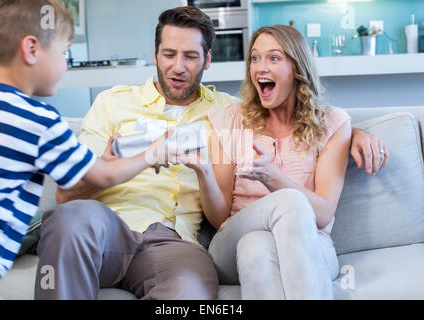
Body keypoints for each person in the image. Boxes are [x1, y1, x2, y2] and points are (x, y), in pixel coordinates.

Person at [35, 7, 388, 300]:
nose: (178, 67)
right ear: (155, 55)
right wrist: (120, 166)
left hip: (177, 243)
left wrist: (354, 132)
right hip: (109, 228)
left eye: (190, 56)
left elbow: (299, 116)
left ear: (207, 60)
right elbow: (67, 196)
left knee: (209, 282)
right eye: (169, 54)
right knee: (71, 220)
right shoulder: (112, 103)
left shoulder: (227, 111)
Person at [0, 0, 172, 300]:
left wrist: (96, 162)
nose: (66, 64)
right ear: (31, 50)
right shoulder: (37, 120)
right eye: (65, 52)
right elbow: (103, 177)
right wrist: (151, 154)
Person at [177, 24, 388, 300]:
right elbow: (219, 218)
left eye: (274, 58)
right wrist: (205, 172)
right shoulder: (232, 120)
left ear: (297, 69)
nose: (260, 67)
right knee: (279, 211)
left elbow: (323, 214)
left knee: (258, 247)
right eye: (255, 58)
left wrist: (270, 176)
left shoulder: (331, 124)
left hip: (312, 243)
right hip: (233, 240)